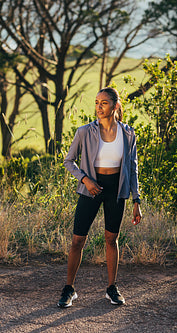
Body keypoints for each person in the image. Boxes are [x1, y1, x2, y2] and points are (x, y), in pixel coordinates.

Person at [58, 87, 142, 308]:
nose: (98, 107)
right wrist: (85, 180)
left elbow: (132, 168)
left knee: (111, 240)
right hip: (90, 188)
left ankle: (111, 288)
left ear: (114, 106)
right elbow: (69, 161)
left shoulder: (128, 133)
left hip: (117, 191)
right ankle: (69, 289)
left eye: (103, 103)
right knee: (77, 241)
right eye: (96, 102)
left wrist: (136, 200)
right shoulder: (85, 132)